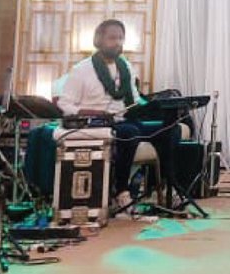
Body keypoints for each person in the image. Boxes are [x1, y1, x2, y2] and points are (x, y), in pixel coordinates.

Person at [57, 19, 162, 210]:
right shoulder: (82, 70)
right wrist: (87, 112)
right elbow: (64, 103)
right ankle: (121, 191)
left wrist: (155, 106)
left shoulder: (125, 67)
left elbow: (134, 100)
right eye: (112, 38)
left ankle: (166, 191)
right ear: (99, 40)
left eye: (121, 38)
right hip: (96, 123)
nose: (117, 43)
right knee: (129, 132)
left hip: (123, 119)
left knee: (168, 129)